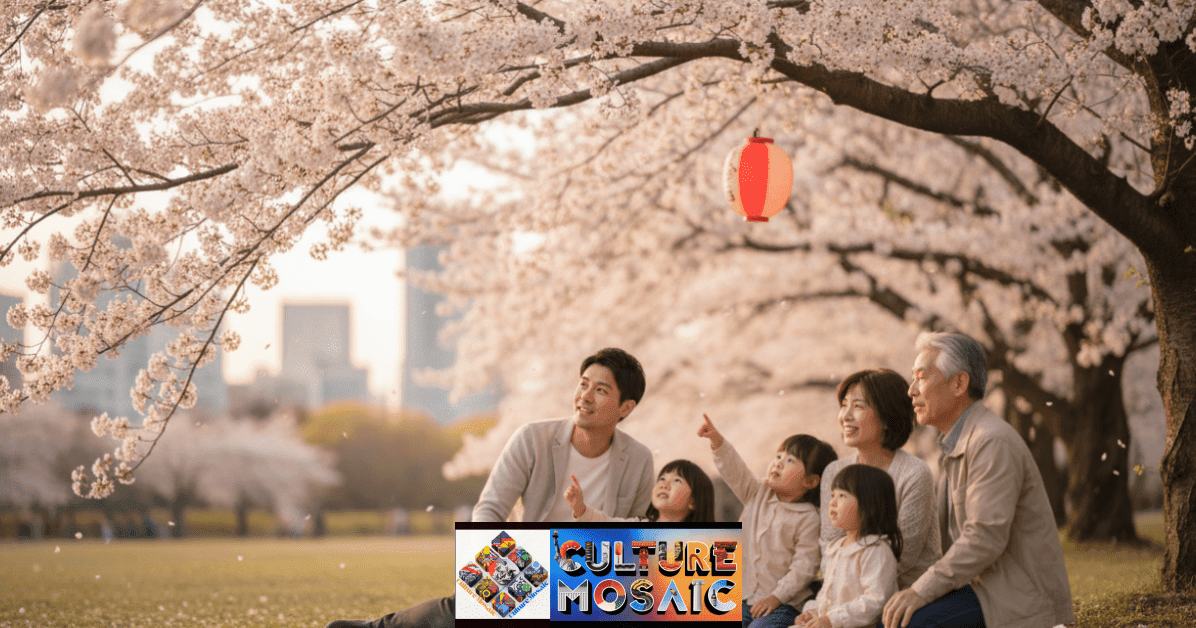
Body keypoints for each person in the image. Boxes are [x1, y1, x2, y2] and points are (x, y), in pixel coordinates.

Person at [326, 348, 656, 628]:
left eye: (600, 390)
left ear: (625, 408)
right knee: (462, 611)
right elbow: (491, 507)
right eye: (583, 384)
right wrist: (500, 564)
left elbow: (639, 534)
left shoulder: (639, 459)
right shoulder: (534, 439)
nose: (584, 396)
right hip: (530, 563)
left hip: (595, 577)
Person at [882, 332, 1074, 628]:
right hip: (979, 586)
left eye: (921, 377)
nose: (911, 391)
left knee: (902, 623)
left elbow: (984, 537)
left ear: (959, 383)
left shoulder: (991, 441)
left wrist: (920, 591)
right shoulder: (954, 443)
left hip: (1014, 598)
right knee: (884, 610)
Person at [698, 413, 838, 628]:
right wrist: (718, 443)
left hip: (783, 603)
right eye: (779, 456)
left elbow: (804, 567)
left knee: (762, 627)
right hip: (741, 595)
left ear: (810, 481)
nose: (778, 463)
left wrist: (777, 597)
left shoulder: (808, 517)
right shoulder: (758, 492)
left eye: (790, 460)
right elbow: (737, 472)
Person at [820, 369, 939, 590]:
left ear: (887, 417)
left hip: (910, 595)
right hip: (843, 595)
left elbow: (903, 554)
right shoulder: (834, 472)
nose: (845, 416)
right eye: (844, 405)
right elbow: (829, 545)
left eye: (857, 406)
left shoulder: (914, 473)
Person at [797, 464, 901, 628]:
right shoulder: (836, 546)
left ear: (869, 504)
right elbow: (826, 594)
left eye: (842, 495)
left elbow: (875, 601)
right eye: (833, 495)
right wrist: (813, 612)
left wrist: (833, 620)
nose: (832, 502)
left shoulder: (876, 550)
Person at [565, 458, 717, 522]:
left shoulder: (701, 543)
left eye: (677, 480)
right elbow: (606, 524)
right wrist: (580, 508)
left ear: (693, 502)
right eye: (662, 479)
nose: (665, 484)